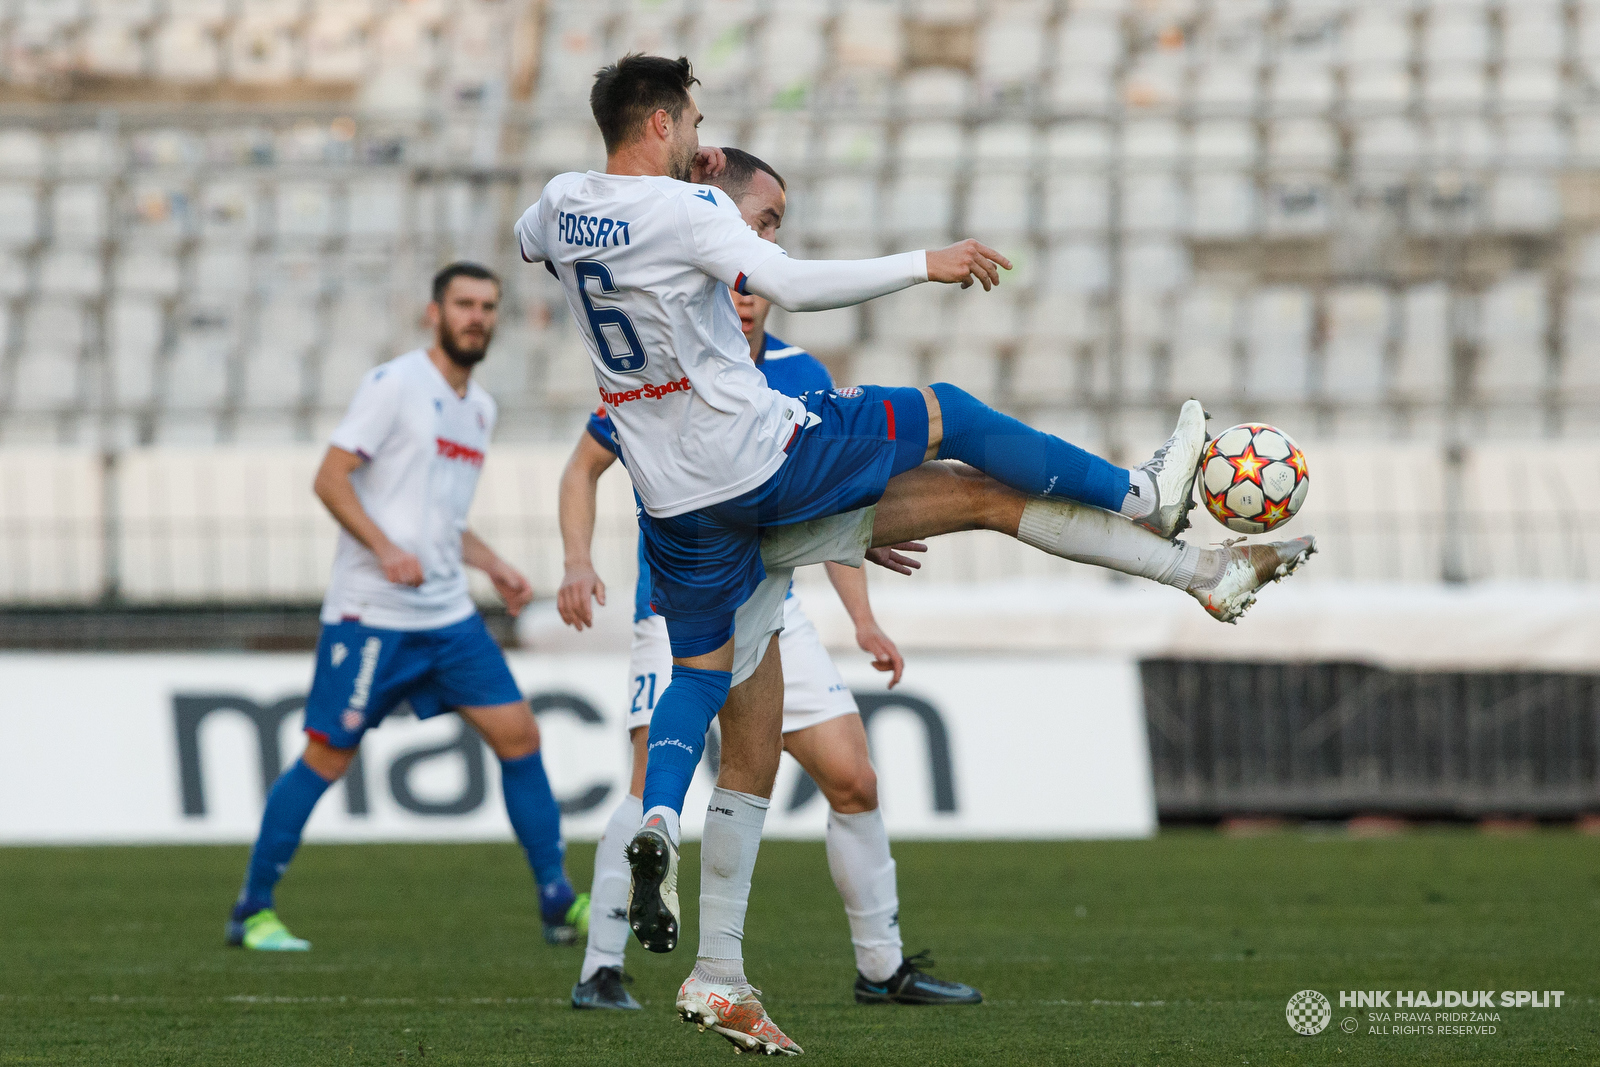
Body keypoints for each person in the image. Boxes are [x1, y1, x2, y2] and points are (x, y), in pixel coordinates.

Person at [514, 55, 1314, 1054]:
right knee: (950, 412)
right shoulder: (694, 220)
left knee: (721, 695)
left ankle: (702, 928)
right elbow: (790, 283)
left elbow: (538, 240)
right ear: (666, 122)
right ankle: (1145, 495)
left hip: (679, 504)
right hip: (758, 463)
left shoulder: (558, 205)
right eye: (695, 124)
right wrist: (921, 261)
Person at [559, 150, 985, 1015]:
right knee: (651, 784)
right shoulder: (660, 366)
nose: (746, 287)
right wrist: (575, 560)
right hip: (679, 612)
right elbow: (582, 468)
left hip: (778, 606)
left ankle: (881, 964)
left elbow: (829, 496)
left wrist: (862, 618)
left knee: (853, 777)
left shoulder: (797, 373)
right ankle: (602, 965)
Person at [224, 263, 589, 952]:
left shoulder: (479, 408)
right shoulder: (395, 386)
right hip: (372, 614)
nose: (476, 316)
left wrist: (493, 563)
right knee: (326, 758)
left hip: (448, 615)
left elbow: (442, 516)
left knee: (520, 738)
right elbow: (331, 480)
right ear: (434, 314)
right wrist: (385, 549)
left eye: (487, 306)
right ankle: (252, 909)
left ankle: (556, 898)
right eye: (463, 304)